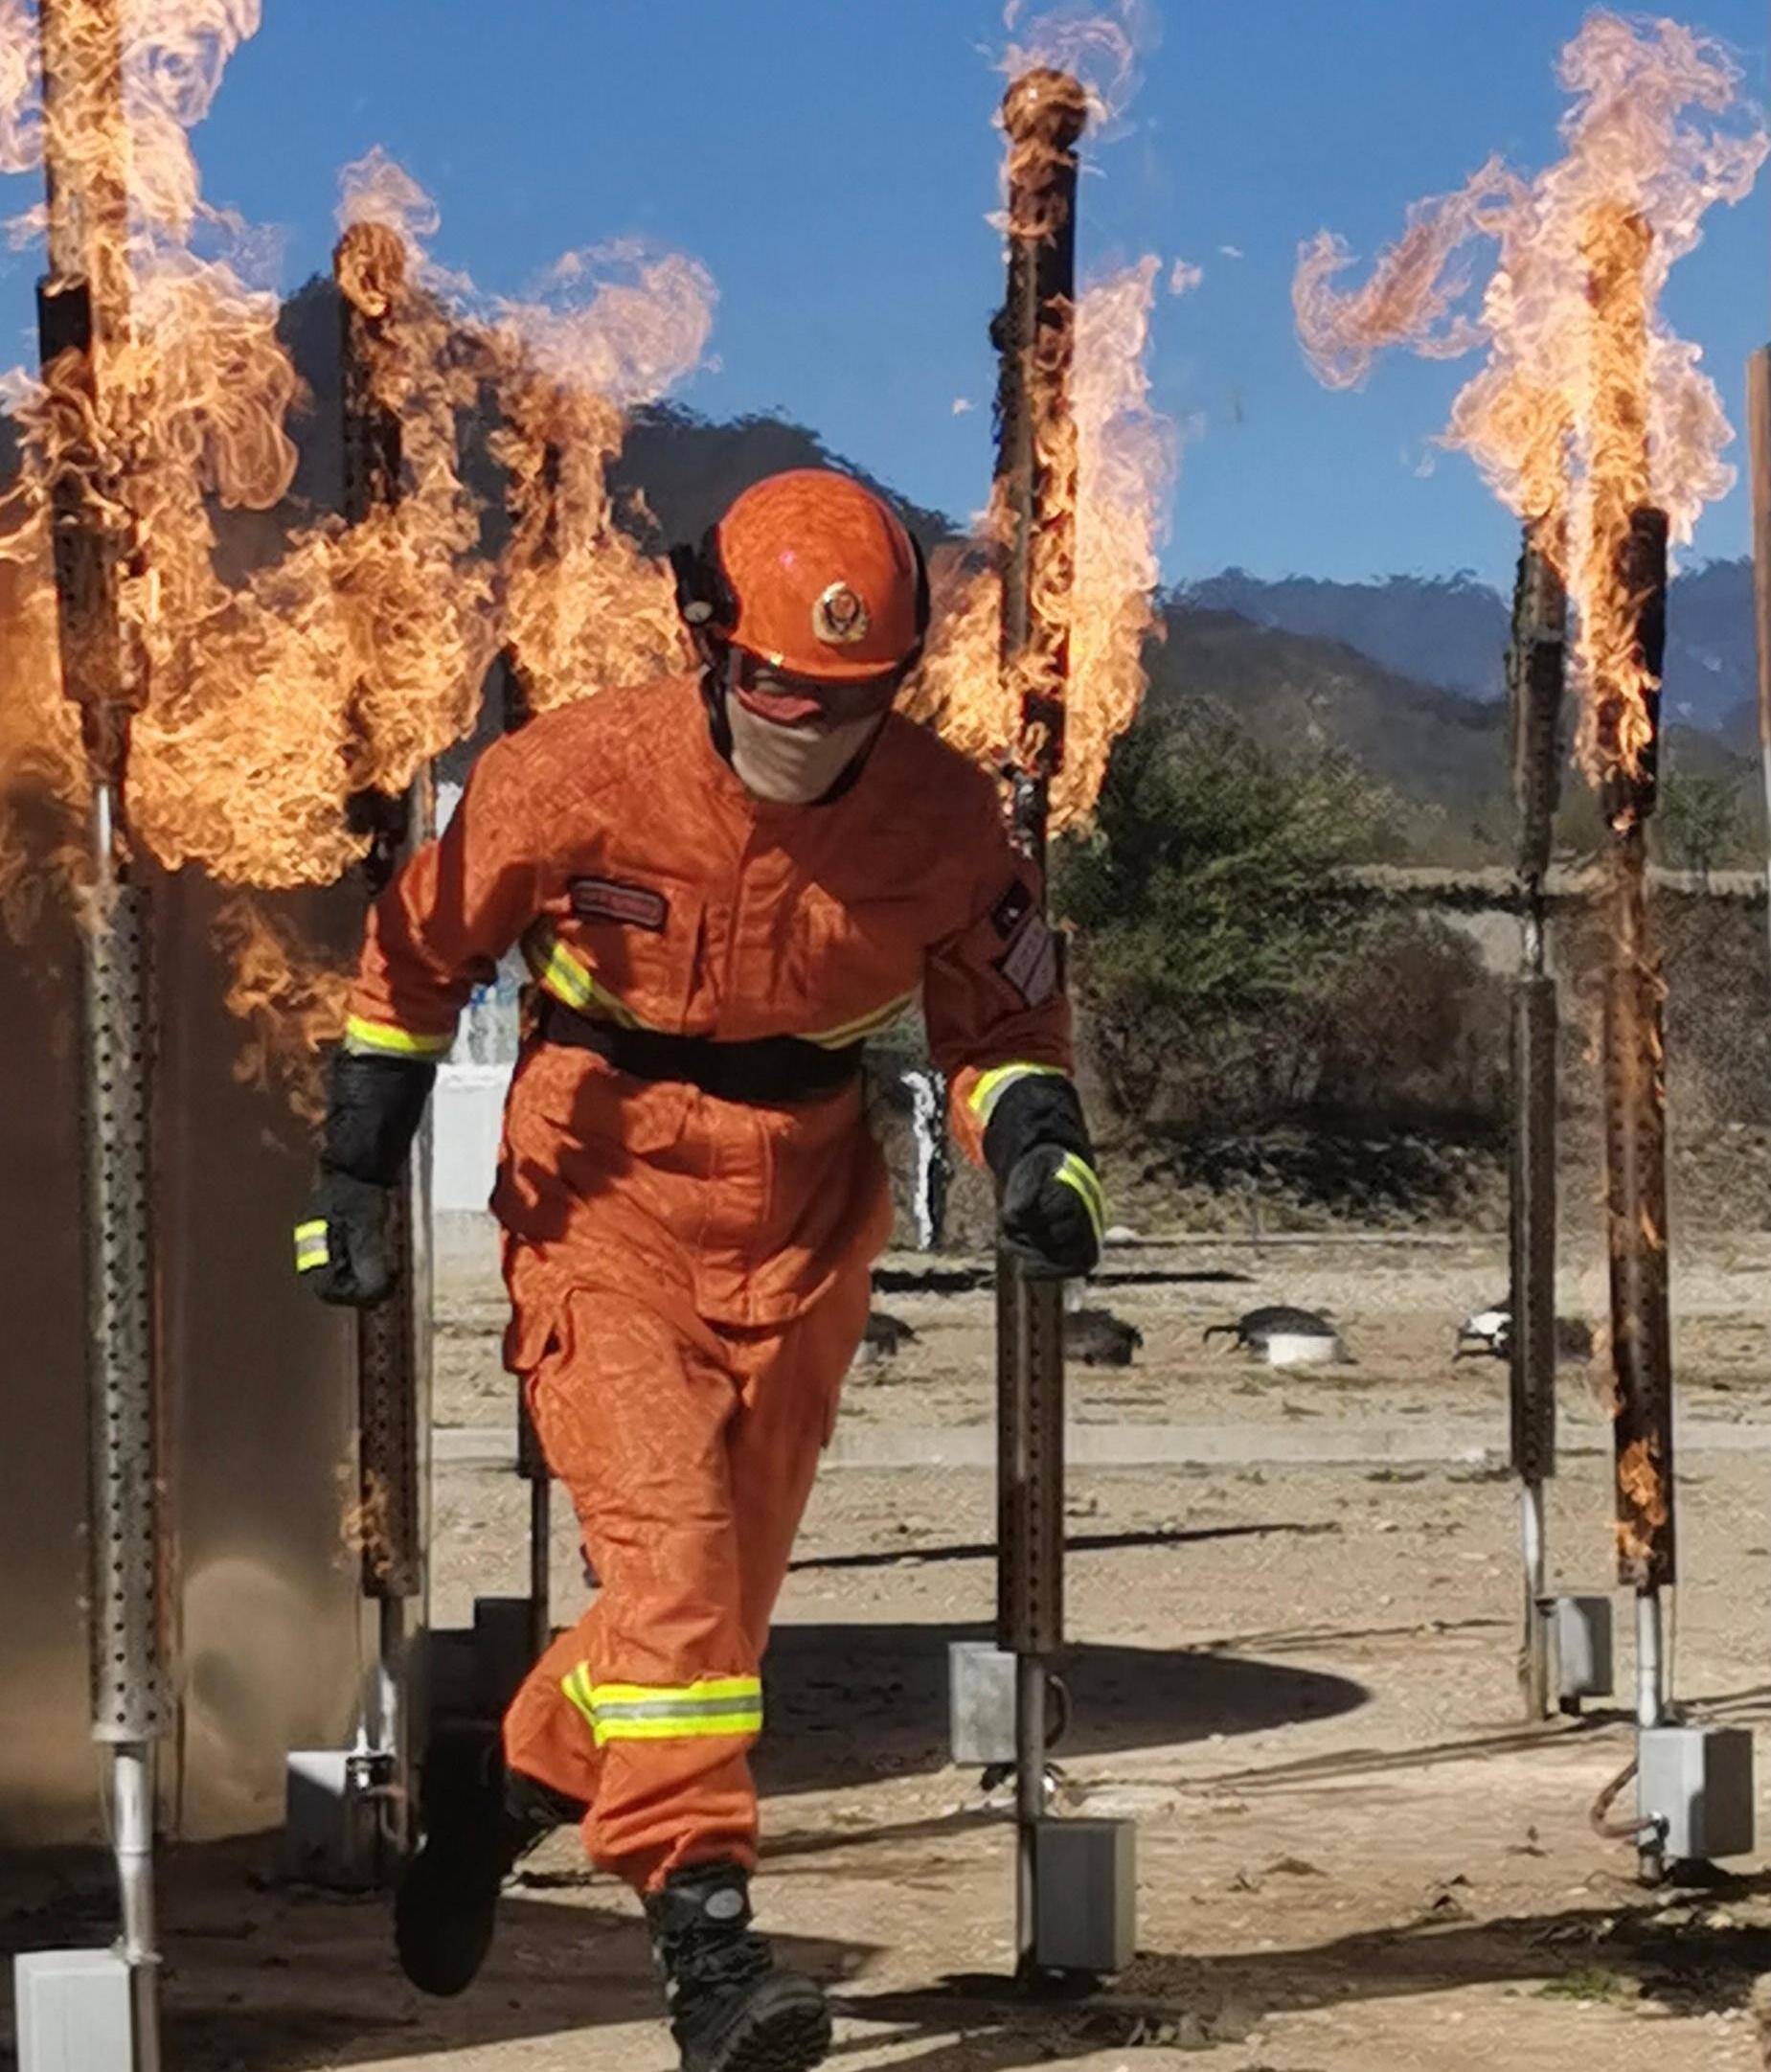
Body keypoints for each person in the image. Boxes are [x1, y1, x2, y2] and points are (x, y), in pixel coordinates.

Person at [296, 467, 1103, 2072]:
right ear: (707, 638)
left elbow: (1001, 1024)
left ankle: (503, 1791)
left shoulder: (947, 823)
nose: (803, 728)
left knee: (708, 1612)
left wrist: (1035, 1154)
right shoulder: (567, 776)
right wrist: (353, 1170)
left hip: (805, 1209)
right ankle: (708, 1944)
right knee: (668, 1571)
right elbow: (414, 960)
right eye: (774, 690)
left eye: (847, 703)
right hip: (600, 1181)